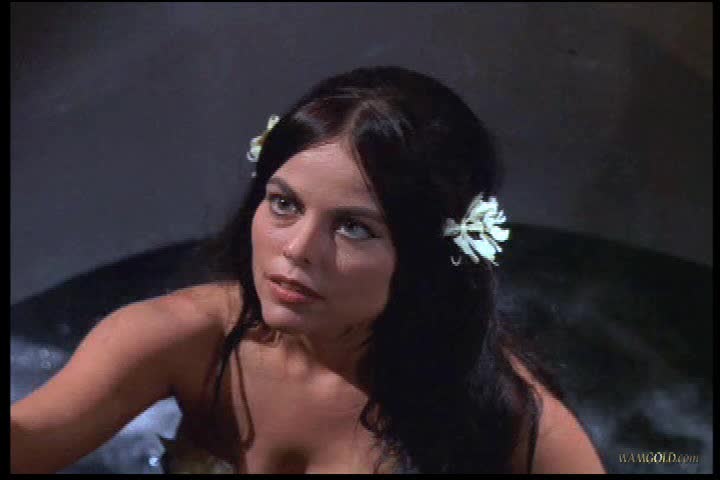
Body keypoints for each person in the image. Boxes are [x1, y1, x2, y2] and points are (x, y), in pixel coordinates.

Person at [10, 66, 606, 474]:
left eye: (354, 227)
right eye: (284, 204)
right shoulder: (181, 337)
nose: (297, 249)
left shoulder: (492, 405)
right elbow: (29, 441)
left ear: (425, 259)